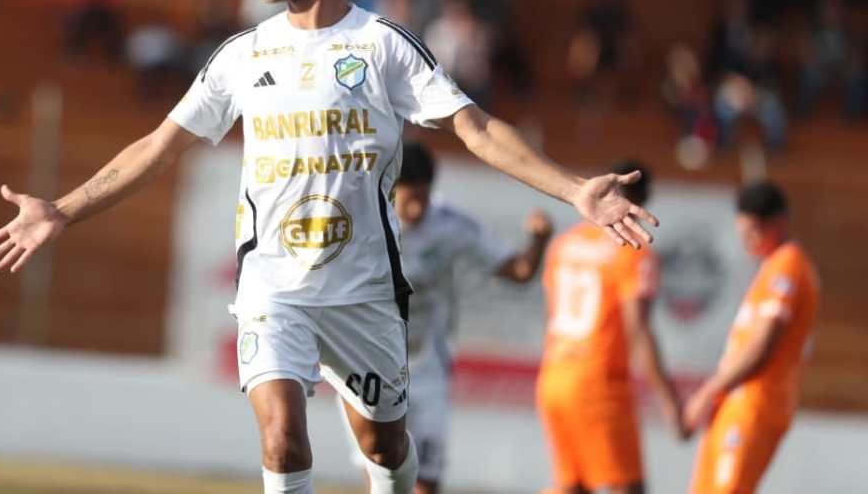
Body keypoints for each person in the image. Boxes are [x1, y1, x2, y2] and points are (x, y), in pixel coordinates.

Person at [0, 0, 657, 494]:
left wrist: (574, 189)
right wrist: (62, 209)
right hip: (273, 286)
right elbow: (158, 147)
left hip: (363, 291)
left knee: (384, 446)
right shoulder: (242, 55)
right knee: (282, 439)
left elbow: (476, 128)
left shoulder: (382, 46)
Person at [342, 141, 552, 494]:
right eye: (410, 198)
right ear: (390, 186)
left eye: (424, 198)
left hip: (427, 368)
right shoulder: (362, 221)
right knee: (379, 469)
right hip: (367, 364)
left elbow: (519, 271)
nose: (417, 208)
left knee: (426, 481)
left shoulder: (450, 225)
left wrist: (539, 240)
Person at [536, 160, 683, 494]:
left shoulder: (565, 244)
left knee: (573, 486)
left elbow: (551, 315)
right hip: (598, 386)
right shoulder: (632, 249)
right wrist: (669, 400)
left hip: (554, 378)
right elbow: (638, 330)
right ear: (642, 198)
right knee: (628, 487)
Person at [685, 181, 820, 494]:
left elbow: (761, 347)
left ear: (779, 222)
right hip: (737, 401)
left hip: (757, 401)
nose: (747, 240)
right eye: (743, 232)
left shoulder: (788, 266)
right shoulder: (770, 267)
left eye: (754, 231)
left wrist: (707, 392)